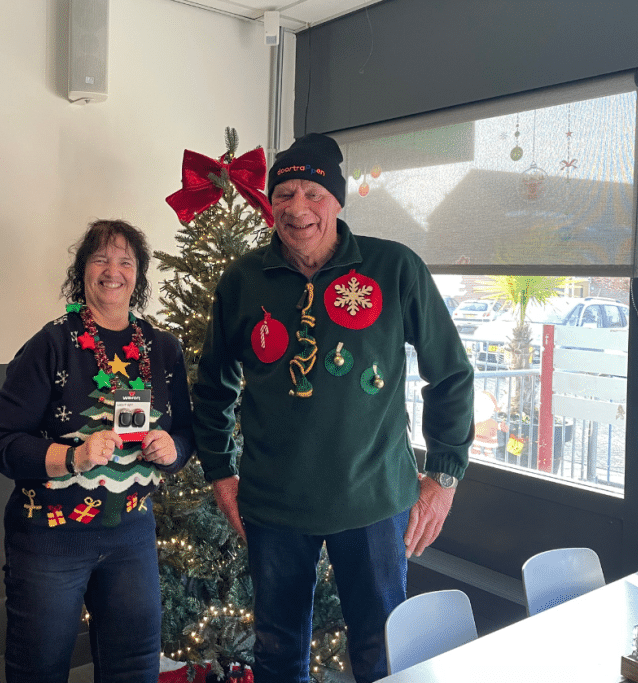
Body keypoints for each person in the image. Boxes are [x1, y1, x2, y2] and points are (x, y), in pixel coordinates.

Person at [191, 134, 475, 682]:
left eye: (313, 193)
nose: (298, 208)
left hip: (374, 500)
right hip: (274, 505)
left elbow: (451, 374)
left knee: (382, 652)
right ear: (271, 202)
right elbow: (213, 388)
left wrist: (444, 476)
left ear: (338, 201)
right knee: (277, 653)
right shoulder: (243, 281)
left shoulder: (394, 267)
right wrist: (222, 475)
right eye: (284, 194)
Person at [0, 219, 194, 683]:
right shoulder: (51, 344)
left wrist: (172, 449)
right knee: (39, 669)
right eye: (100, 259)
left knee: (134, 668)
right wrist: (72, 457)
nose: (112, 271)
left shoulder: (163, 348)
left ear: (138, 274)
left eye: (125, 261)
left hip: (131, 536)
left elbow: (185, 432)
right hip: (50, 539)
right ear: (82, 271)